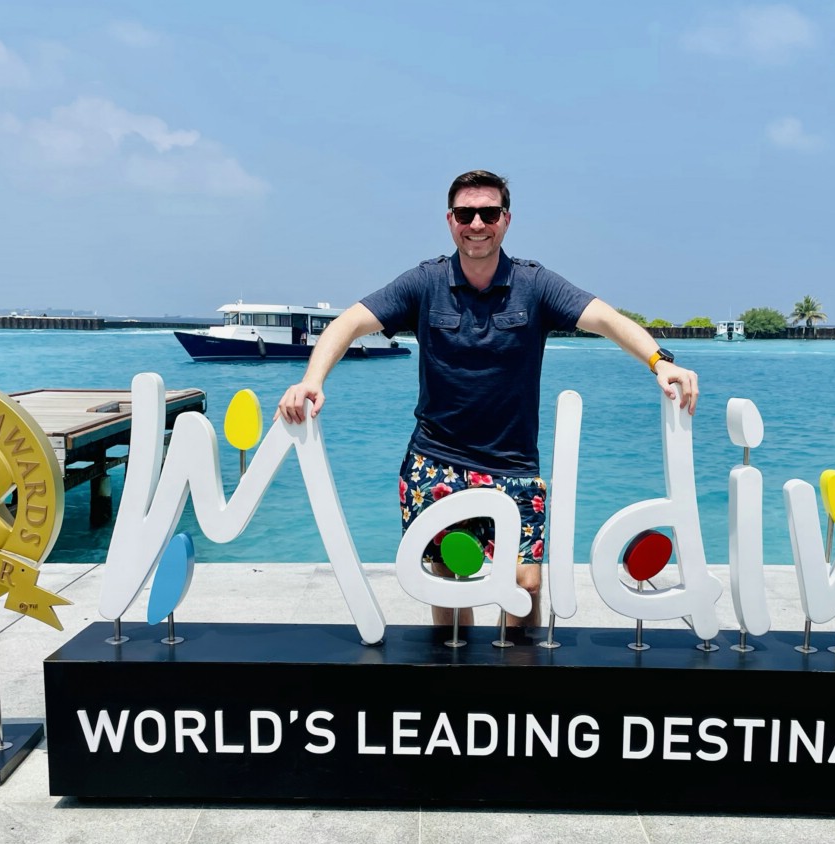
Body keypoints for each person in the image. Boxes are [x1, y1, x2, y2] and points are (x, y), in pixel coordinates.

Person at [278, 170, 698, 628]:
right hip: (437, 459)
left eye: (488, 213)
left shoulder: (534, 284)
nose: (476, 224)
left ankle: (518, 666)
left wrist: (660, 361)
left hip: (513, 463)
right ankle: (453, 664)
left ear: (506, 220)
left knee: (525, 585)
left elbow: (607, 320)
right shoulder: (425, 282)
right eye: (465, 214)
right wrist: (312, 379)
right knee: (449, 582)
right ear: (450, 220)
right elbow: (348, 323)